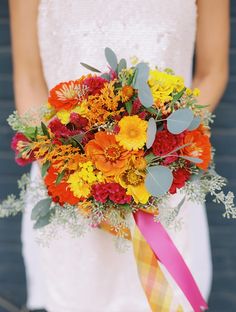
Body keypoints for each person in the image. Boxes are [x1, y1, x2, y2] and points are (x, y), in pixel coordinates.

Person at [9, 0, 229, 311]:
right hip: (69, 189)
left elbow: (212, 72)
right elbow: (29, 79)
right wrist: (73, 173)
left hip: (165, 187)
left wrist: (164, 151)